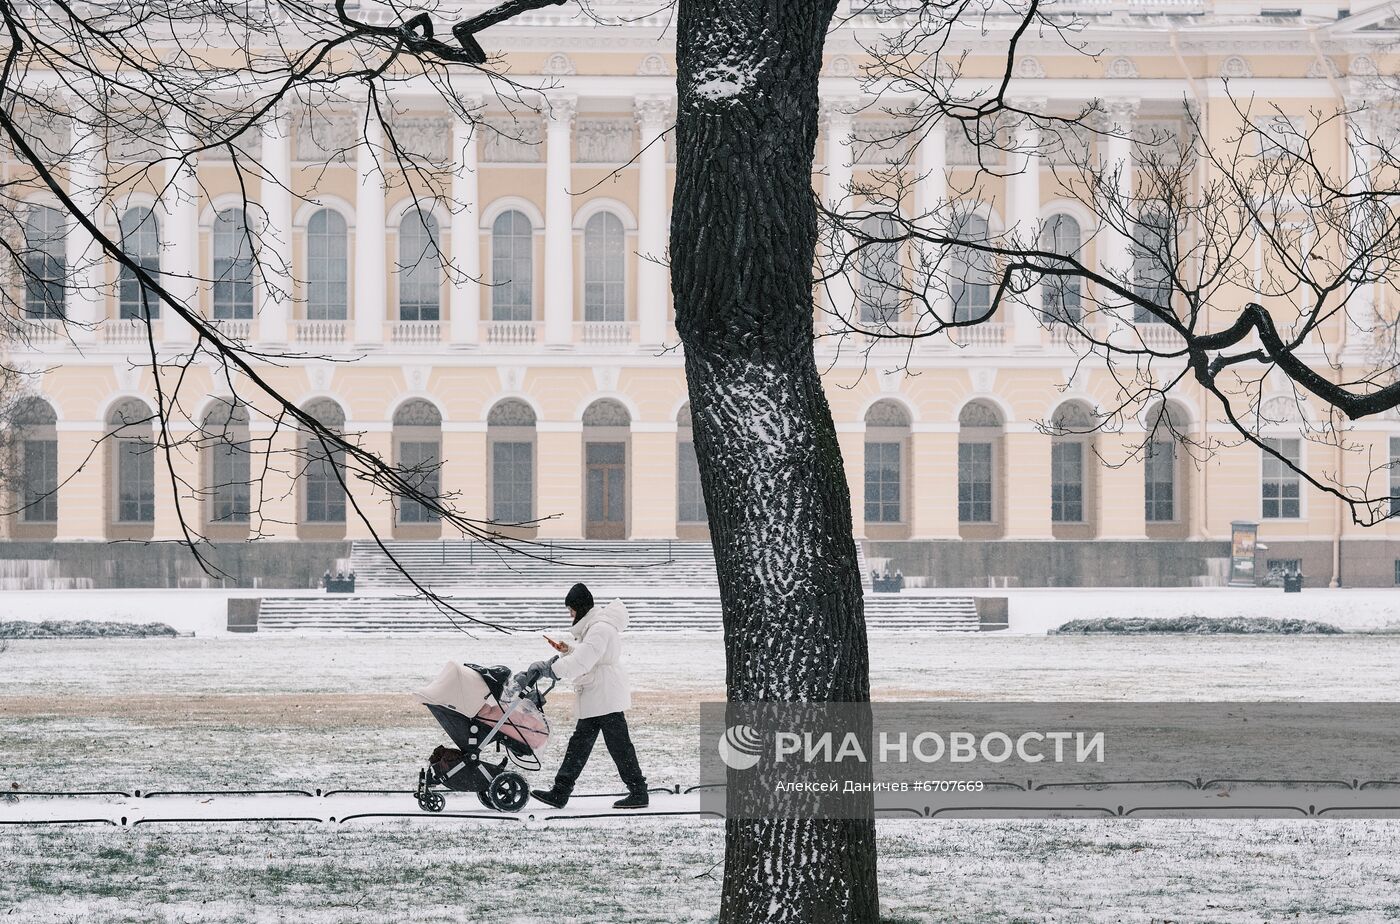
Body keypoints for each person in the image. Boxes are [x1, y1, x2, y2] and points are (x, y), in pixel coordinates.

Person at [523, 582, 649, 810]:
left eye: (571, 609)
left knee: (616, 747)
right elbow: (587, 655)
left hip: (604, 695)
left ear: (580, 608)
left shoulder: (599, 628)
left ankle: (638, 791)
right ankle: (561, 791)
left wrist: (551, 670)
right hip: (599, 694)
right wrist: (568, 651)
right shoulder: (595, 627)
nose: (569, 614)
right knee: (582, 745)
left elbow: (584, 661)